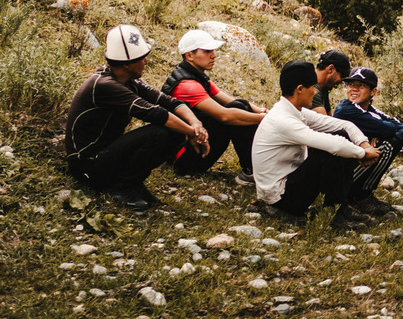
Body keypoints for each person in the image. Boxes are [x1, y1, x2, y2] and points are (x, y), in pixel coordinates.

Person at [64, 24, 212, 209]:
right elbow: (156, 113)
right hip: (86, 164)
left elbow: (170, 102)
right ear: (127, 64)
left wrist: (196, 124)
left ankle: (132, 182)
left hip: (106, 153)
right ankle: (121, 186)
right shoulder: (104, 85)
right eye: (142, 58)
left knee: (174, 130)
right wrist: (192, 133)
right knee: (162, 132)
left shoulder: (128, 80)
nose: (146, 62)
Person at [252, 59, 380, 228]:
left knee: (340, 137)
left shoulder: (294, 111)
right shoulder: (283, 120)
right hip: (279, 198)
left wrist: (364, 145)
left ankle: (340, 207)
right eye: (312, 87)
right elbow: (334, 145)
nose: (314, 92)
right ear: (299, 89)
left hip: (289, 182)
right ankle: (335, 214)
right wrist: (363, 154)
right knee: (327, 150)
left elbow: (344, 125)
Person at [161, 28, 266, 184]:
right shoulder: (188, 85)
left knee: (239, 105)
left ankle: (255, 167)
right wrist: (263, 119)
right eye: (207, 51)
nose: (213, 55)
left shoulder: (196, 75)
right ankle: (252, 170)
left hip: (194, 146)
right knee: (233, 115)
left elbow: (231, 101)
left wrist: (263, 111)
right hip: (184, 158)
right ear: (189, 55)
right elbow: (225, 115)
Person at [332, 66, 403, 216]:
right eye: (351, 84)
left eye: (361, 85)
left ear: (373, 92)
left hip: (351, 165)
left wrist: (380, 133)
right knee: (389, 144)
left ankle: (362, 196)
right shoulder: (346, 110)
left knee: (392, 141)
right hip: (336, 173)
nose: (354, 89)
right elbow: (390, 129)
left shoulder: (372, 111)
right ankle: (357, 196)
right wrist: (378, 133)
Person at [309, 48, 351, 115]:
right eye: (342, 76)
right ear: (330, 69)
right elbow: (325, 123)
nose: (341, 81)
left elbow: (329, 119)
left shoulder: (323, 88)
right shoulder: (309, 88)